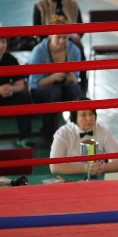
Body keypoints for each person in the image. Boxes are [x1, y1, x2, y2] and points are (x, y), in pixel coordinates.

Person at [28, 14, 82, 149]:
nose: (62, 41)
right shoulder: (38, 51)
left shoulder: (74, 50)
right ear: (50, 35)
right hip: (41, 91)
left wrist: (72, 78)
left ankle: (77, 131)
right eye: (59, 37)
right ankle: (47, 135)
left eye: (65, 37)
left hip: (64, 87)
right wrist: (54, 77)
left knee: (76, 92)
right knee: (53, 92)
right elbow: (35, 83)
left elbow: (76, 78)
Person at [33, 0, 87, 92]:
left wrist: (76, 35)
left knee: (78, 48)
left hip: (70, 41)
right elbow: (36, 30)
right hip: (46, 41)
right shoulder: (40, 6)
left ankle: (82, 85)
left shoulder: (73, 4)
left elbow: (81, 26)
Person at [50, 96, 118, 175]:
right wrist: (86, 168)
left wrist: (102, 168)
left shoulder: (103, 132)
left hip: (97, 177)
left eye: (91, 113)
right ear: (74, 117)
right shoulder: (62, 134)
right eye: (83, 115)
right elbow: (54, 167)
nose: (89, 118)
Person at [0, 37, 32, 145]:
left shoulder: (10, 59)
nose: (1, 46)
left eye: (3, 42)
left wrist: (11, 88)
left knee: (24, 98)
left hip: (8, 95)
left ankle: (24, 137)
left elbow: (21, 84)